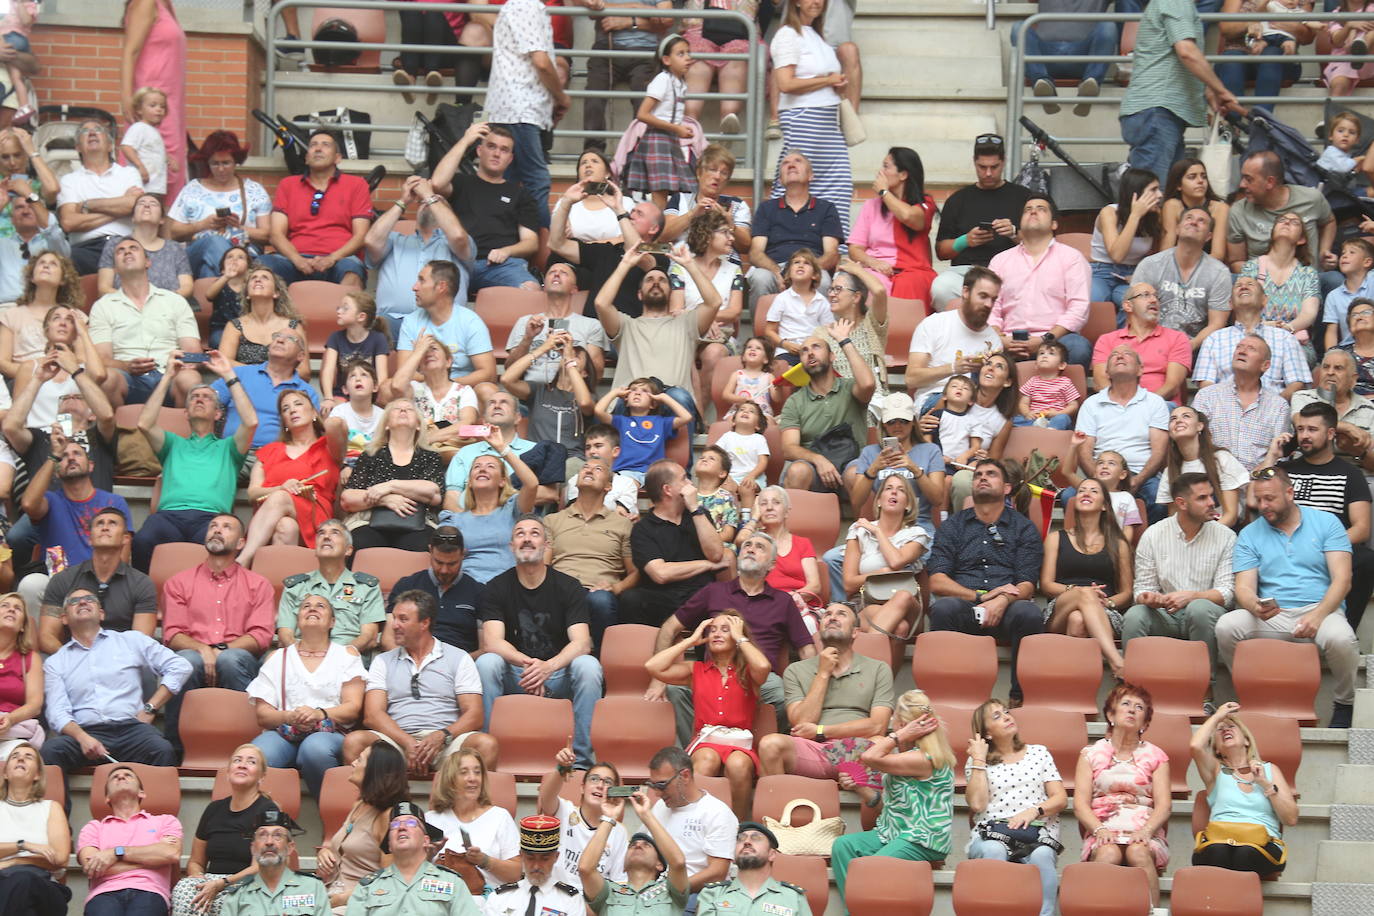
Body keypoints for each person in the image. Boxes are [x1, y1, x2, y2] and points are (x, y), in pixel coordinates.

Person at [1221, 465, 1360, 728]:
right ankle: (1252, 697)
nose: (1263, 505)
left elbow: (1343, 581)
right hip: (1274, 615)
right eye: (1258, 499)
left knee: (1341, 638)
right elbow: (1243, 587)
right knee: (1227, 626)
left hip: (1322, 610)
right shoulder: (1250, 533)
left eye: (1270, 498)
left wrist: (1317, 617)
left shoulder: (1327, 522)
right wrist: (1254, 605)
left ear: (1289, 493)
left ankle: (1345, 703)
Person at [476, 515, 603, 769]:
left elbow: (581, 643)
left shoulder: (569, 586)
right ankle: (486, 757)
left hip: (558, 676)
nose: (526, 539)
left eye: (534, 533)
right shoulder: (496, 587)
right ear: (511, 546)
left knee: (588, 665)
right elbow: (492, 642)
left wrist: (549, 668)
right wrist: (533, 667)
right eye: (520, 534)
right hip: (518, 674)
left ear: (546, 544)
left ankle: (581, 763)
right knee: (487, 662)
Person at [927, 459, 1044, 704]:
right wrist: (980, 597)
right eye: (978, 474)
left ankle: (1019, 698)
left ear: (1007, 489)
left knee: (1029, 613)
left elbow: (1027, 584)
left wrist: (1001, 600)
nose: (982, 477)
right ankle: (950, 697)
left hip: (1008, 607)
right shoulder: (953, 527)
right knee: (943, 608)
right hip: (966, 604)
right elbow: (937, 580)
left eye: (991, 474)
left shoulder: (1023, 528)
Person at [40, 588, 189, 779]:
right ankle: (57, 810)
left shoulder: (130, 640)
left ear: (101, 614)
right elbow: (57, 712)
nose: (83, 602)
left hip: (131, 729)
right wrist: (83, 738)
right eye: (74, 601)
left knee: (162, 749)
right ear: (64, 619)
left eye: (89, 599)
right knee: (52, 751)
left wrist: (151, 708)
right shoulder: (56, 662)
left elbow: (180, 666)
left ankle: (158, 810)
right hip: (85, 732)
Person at [160, 514, 276, 758]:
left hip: (238, 659)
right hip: (192, 654)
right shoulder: (178, 582)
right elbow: (172, 633)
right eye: (213, 526)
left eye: (226, 527)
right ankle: (175, 749)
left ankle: (249, 748)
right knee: (185, 662)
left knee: (230, 660)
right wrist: (203, 649)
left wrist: (220, 649)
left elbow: (260, 636)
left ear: (241, 543)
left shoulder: (258, 584)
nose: (217, 530)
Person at [344, 589, 494, 773]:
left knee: (486, 744)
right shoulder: (382, 661)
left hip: (446, 742)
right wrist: (407, 742)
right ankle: (373, 802)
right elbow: (373, 715)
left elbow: (475, 714)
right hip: (397, 742)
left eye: (403, 619)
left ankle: (471, 802)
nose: (395, 625)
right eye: (395, 619)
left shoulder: (459, 657)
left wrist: (442, 736)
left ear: (424, 623)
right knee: (354, 742)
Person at [829, 690, 956, 900]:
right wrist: (859, 787)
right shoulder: (905, 756)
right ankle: (855, 911)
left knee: (870, 870)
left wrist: (898, 736)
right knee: (843, 846)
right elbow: (887, 802)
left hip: (922, 838)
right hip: (893, 832)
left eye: (895, 720)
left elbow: (869, 757)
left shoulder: (924, 759)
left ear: (902, 725)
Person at [131, 358, 256, 571]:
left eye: (207, 397)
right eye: (194, 397)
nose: (199, 399)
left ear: (218, 414)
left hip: (210, 519)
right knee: (142, 541)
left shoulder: (229, 448)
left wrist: (228, 376)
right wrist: (168, 376)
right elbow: (144, 423)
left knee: (218, 549)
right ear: (186, 413)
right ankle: (146, 599)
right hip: (168, 516)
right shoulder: (172, 444)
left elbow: (251, 422)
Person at [646, 611, 771, 820]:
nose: (716, 634)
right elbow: (653, 667)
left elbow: (764, 666)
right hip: (706, 742)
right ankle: (696, 822)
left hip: (739, 742)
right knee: (706, 760)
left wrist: (741, 637)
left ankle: (737, 825)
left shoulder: (749, 671)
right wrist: (691, 641)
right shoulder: (696, 670)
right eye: (712, 630)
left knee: (738, 764)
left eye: (725, 629)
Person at [756, 601, 894, 792]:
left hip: (857, 750)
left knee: (880, 744)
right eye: (827, 614)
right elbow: (801, 721)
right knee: (770, 744)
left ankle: (873, 815)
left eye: (841, 614)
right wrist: (822, 673)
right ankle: (779, 816)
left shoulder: (878, 669)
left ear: (855, 632)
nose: (832, 617)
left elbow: (878, 725)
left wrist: (821, 730)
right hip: (814, 751)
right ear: (819, 631)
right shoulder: (796, 670)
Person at [1263, 401, 1374, 632]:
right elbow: (1256, 498)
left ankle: (1344, 629)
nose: (1304, 435)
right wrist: (1272, 457)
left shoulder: (1351, 474)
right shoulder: (1286, 470)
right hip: (1284, 543)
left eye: (1312, 430)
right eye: (1301, 429)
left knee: (1366, 560)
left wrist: (1322, 545)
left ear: (1331, 433)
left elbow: (1362, 528)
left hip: (1330, 548)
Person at [248, 592, 366, 798]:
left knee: (315, 749)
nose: (312, 608)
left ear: (333, 622)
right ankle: (264, 821)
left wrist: (318, 714)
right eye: (306, 606)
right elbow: (263, 715)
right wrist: (289, 717)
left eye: (321, 606)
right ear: (297, 620)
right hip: (284, 733)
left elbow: (352, 708)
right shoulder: (278, 657)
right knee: (256, 755)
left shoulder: (347, 655)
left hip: (330, 734)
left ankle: (332, 813)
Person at [596, 245, 724, 426]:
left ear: (671, 293)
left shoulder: (687, 323)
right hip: (631, 398)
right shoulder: (626, 325)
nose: (656, 282)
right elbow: (601, 303)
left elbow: (714, 302)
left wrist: (689, 264)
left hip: (674, 401)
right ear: (639, 294)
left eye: (662, 280)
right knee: (620, 402)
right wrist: (624, 264)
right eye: (649, 279)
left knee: (678, 395)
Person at [1118, 0, 1241, 186]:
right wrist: (1220, 89)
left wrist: (1208, 90)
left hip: (1159, 112)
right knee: (1151, 197)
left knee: (1165, 197)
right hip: (1157, 111)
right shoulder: (1176, 2)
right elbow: (1187, 52)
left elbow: (1178, 56)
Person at [964, 699, 1067, 916]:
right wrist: (979, 759)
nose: (1007, 717)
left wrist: (1034, 810)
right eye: (997, 716)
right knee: (994, 849)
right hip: (991, 834)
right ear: (987, 733)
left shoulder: (1039, 753)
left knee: (1042, 855)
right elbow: (977, 804)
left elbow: (1060, 798)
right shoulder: (977, 762)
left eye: (1006, 712)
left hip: (1034, 833)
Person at [15, 427, 131, 615]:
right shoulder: (51, 501)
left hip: (101, 581)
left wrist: (113, 583)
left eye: (77, 453)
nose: (70, 458)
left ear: (91, 465)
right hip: (58, 583)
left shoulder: (113, 502)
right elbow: (28, 503)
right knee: (31, 584)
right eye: (64, 456)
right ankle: (34, 645)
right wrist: (53, 456)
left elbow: (124, 549)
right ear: (56, 471)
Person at [1075, 684, 1172, 907]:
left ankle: (1154, 912)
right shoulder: (1090, 753)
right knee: (1108, 853)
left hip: (1145, 832)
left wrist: (1146, 831)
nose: (1132, 710)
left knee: (1138, 852)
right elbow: (1080, 805)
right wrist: (1099, 829)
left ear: (1145, 723)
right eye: (1126, 704)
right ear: (1111, 715)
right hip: (1102, 828)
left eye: (1139, 708)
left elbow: (1164, 805)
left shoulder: (1156, 755)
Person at [481, 0, 570, 229]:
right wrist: (561, 96)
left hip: (513, 108)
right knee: (536, 181)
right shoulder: (526, 6)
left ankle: (504, 241)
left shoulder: (517, 6)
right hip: (520, 109)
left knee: (506, 183)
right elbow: (541, 62)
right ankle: (542, 252)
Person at [770, 0, 852, 235]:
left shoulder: (816, 35)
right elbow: (785, 83)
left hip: (828, 121)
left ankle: (838, 247)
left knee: (839, 187)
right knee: (793, 182)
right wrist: (827, 80)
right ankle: (777, 239)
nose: (816, 2)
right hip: (804, 117)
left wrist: (836, 84)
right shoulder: (787, 34)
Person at [89, 236, 202, 407]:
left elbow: (194, 352)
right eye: (120, 250)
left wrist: (184, 364)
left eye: (133, 248)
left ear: (148, 262)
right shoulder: (103, 306)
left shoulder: (175, 300)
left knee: (190, 379)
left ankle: (183, 433)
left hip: (170, 374)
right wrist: (126, 366)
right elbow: (101, 358)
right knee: (107, 379)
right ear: (115, 269)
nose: (127, 251)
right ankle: (116, 433)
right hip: (127, 378)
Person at [170, 744, 281, 916]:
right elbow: (196, 862)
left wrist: (222, 883)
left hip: (249, 884)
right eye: (237, 760)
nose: (242, 765)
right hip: (211, 884)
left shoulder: (269, 811)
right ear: (228, 772)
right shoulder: (213, 809)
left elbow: (261, 867)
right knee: (184, 888)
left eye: (251, 762)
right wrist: (199, 878)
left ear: (262, 776)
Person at [1189, 703, 1298, 875]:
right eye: (1220, 730)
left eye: (1231, 726)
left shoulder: (1270, 770)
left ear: (1246, 740)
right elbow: (1195, 746)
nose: (1226, 730)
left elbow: (1291, 818)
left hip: (1262, 845)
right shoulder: (1215, 771)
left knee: (1245, 853)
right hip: (1219, 841)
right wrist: (1217, 716)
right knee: (1219, 851)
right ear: (1216, 749)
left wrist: (1265, 784)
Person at [432, 124, 542, 293]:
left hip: (502, 266)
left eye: (504, 150)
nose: (497, 153)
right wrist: (465, 140)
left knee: (531, 289)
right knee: (433, 289)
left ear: (510, 159)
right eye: (491, 147)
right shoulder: (461, 183)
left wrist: (506, 251)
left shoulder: (521, 194)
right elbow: (437, 183)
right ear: (479, 151)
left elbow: (531, 243)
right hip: (458, 262)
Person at [1041, 479, 1134, 678]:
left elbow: (1127, 592)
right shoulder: (1056, 538)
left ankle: (1073, 689)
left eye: (1094, 491)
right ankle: (1116, 661)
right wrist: (1078, 592)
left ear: (1104, 506)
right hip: (1060, 607)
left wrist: (1106, 601)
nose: (1086, 493)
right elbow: (1046, 585)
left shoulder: (1119, 544)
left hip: (1105, 610)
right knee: (1083, 597)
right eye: (1082, 490)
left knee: (1078, 620)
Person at [239, 390, 344, 565]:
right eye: (285, 409)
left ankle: (244, 559)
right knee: (286, 526)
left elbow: (336, 424)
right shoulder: (269, 451)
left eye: (298, 404)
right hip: (271, 520)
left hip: (316, 514)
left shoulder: (328, 447)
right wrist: (281, 488)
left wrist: (325, 415)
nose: (292, 410)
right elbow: (253, 493)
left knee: (281, 498)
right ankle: (278, 586)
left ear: (313, 412)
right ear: (283, 421)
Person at [619, 459, 728, 628]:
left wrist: (695, 509)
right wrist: (706, 565)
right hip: (661, 597)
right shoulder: (643, 529)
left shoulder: (699, 515)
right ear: (668, 490)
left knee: (718, 597)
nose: (691, 483)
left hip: (700, 594)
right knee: (631, 599)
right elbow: (661, 574)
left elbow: (716, 554)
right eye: (684, 479)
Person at [988, 196, 1093, 368]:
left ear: (1054, 224)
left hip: (1054, 339)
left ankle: (1061, 394)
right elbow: (991, 306)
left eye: (1041, 209)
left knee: (1078, 347)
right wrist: (998, 338)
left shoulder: (1072, 258)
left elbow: (1078, 308)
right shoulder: (1000, 261)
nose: (1033, 211)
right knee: (978, 346)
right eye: (1027, 209)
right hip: (1009, 339)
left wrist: (1046, 339)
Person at [930, 135, 1032, 311]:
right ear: (974, 162)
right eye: (982, 167)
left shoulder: (1023, 197)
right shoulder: (958, 200)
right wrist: (966, 240)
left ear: (1004, 162)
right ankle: (964, 329)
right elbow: (941, 251)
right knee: (941, 288)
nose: (988, 173)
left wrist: (1014, 233)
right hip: (966, 271)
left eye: (994, 167)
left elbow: (1040, 246)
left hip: (1012, 271)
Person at [257, 130, 370, 288]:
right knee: (263, 265)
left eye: (326, 145)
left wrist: (332, 258)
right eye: (313, 145)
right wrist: (297, 260)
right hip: (294, 259)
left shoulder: (356, 185)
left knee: (352, 270)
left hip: (340, 259)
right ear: (306, 158)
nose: (318, 148)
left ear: (338, 158)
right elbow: (276, 234)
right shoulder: (288, 185)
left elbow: (361, 236)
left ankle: (349, 312)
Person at [35, 508, 155, 656]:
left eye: (112, 523)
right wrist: (74, 660)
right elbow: (47, 636)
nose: (105, 527)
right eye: (99, 524)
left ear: (125, 539)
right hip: (72, 660)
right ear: (90, 539)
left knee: (147, 672)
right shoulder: (63, 579)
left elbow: (141, 642)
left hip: (122, 662)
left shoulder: (142, 584)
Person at [546, 460, 637, 649]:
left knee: (600, 600)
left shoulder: (622, 524)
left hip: (599, 591)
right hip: (560, 588)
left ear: (608, 486)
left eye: (598, 469)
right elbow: (543, 567)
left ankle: (602, 668)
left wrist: (617, 587)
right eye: (585, 467)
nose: (589, 470)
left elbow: (635, 572)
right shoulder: (552, 520)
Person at [364, 174, 474, 330]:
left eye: (437, 201)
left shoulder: (459, 245)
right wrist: (403, 201)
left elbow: (457, 236)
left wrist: (428, 194)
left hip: (444, 324)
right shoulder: (395, 241)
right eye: (423, 201)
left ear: (448, 213)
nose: (428, 202)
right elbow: (371, 240)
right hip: (393, 322)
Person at [779, 319, 876, 491]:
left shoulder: (850, 387)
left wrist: (843, 341)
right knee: (797, 470)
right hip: (813, 468)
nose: (810, 353)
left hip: (850, 462)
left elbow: (868, 384)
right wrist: (819, 459)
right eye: (804, 351)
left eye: (816, 347)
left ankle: (862, 520)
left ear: (832, 356)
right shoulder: (794, 401)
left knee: (857, 473)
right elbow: (789, 448)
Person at [842, 475, 930, 664]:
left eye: (901, 489)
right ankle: (883, 689)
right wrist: (880, 574)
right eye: (888, 488)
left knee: (903, 596)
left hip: (910, 606)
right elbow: (849, 583)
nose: (894, 491)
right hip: (867, 603)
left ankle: (861, 670)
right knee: (899, 628)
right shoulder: (858, 530)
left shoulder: (917, 534)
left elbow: (896, 561)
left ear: (908, 505)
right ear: (879, 500)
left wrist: (877, 531)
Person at [339, 398, 445, 553]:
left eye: (409, 409)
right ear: (386, 424)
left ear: (417, 425)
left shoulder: (430, 457)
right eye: (397, 409)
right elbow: (347, 499)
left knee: (420, 545)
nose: (403, 410)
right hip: (369, 520)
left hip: (419, 522)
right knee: (362, 542)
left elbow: (434, 493)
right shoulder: (371, 454)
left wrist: (390, 485)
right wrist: (384, 499)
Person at [76, 763, 183, 916]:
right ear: (107, 797)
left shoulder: (165, 821)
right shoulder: (94, 827)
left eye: (128, 776)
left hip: (150, 891)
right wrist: (151, 860)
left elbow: (170, 854)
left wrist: (115, 853)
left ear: (141, 793)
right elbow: (92, 867)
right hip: (104, 894)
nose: (121, 776)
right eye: (114, 777)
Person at [1076, 346, 1170, 512]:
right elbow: (1084, 452)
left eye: (1127, 354)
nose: (1119, 356)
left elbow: (1159, 452)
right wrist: (1102, 482)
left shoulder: (1155, 402)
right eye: (1114, 355)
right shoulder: (1091, 403)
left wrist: (1137, 480)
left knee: (1159, 499)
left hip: (1142, 474)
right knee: (1070, 497)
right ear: (1107, 372)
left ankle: (1147, 539)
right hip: (1102, 473)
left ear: (1140, 369)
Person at [314, 743, 409, 910]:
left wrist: (340, 900)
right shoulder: (359, 804)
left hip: (360, 904)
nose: (353, 763)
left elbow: (391, 882)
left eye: (360, 760)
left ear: (375, 770)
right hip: (332, 896)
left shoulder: (388, 817)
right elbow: (345, 848)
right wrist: (325, 852)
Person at [166, 130, 272, 279]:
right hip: (198, 253)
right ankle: (237, 286)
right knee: (215, 242)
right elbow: (175, 232)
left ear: (236, 161)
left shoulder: (254, 191)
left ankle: (225, 292)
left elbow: (267, 235)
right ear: (207, 162)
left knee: (207, 271)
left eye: (226, 163)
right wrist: (204, 224)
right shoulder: (192, 189)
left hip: (243, 255)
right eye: (215, 163)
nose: (221, 169)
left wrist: (238, 228)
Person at [345, 800, 479, 915]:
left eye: (411, 823)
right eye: (395, 825)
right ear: (390, 845)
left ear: (426, 840)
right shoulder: (368, 887)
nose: (402, 827)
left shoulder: (451, 882)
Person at [747, 151, 843, 311]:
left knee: (824, 281)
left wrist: (806, 270)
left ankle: (818, 335)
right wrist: (779, 272)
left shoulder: (826, 209)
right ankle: (761, 335)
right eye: (785, 163)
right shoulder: (766, 208)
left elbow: (832, 254)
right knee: (759, 278)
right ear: (780, 180)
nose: (791, 164)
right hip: (774, 268)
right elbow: (755, 253)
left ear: (810, 175)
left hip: (813, 266)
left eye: (798, 161)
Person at [439, 436, 541, 586]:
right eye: (477, 466)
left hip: (506, 589)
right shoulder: (455, 520)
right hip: (467, 588)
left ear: (502, 481)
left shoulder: (513, 511)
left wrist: (503, 449)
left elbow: (532, 484)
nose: (482, 469)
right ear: (470, 483)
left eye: (491, 466)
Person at [1132, 206, 1232, 352]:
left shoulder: (1219, 273)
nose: (1194, 222)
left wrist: (1190, 346)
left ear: (1209, 236)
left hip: (1196, 346)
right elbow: (1136, 311)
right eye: (1189, 218)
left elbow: (1217, 323)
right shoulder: (1151, 265)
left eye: (1201, 221)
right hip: (1151, 341)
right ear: (1177, 229)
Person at [276, 520, 383, 654]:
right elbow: (285, 635)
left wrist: (337, 658)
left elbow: (369, 637)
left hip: (347, 662)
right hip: (302, 660)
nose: (326, 537)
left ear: (348, 550)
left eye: (335, 533)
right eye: (321, 533)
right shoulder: (296, 587)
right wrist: (306, 658)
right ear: (315, 550)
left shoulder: (366, 587)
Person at [847, 147, 938, 305]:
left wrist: (884, 192)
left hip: (912, 271)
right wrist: (873, 262)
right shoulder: (871, 206)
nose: (880, 172)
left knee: (909, 285)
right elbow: (854, 249)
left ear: (903, 174)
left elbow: (908, 216)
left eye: (886, 166)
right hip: (875, 269)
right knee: (868, 285)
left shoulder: (924, 204)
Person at [580, 786, 688, 916]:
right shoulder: (609, 892)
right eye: (632, 845)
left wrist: (646, 815)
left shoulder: (670, 891)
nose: (638, 845)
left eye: (647, 845)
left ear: (659, 865)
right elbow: (585, 869)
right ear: (624, 866)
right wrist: (609, 818)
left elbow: (678, 862)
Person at [426, 749, 522, 893]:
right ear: (450, 779)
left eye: (477, 772)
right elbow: (410, 871)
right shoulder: (431, 819)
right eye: (464, 772)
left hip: (485, 902)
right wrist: (429, 855)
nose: (473, 778)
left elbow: (516, 873)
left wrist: (484, 861)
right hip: (438, 900)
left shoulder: (500, 817)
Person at [1192, 334, 1293, 472]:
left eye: (1251, 348)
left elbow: (1278, 458)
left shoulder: (1279, 406)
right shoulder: (1207, 396)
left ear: (1265, 365)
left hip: (1258, 485)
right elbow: (1193, 445)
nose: (1242, 351)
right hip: (1212, 482)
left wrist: (1254, 480)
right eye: (1239, 347)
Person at [1227, 151, 1337, 277]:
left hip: (1308, 279)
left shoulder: (1312, 198)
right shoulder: (1239, 211)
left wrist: (1324, 250)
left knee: (1334, 279)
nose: (1241, 184)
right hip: (1262, 283)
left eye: (1248, 179)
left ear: (1270, 182)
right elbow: (1236, 263)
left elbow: (1329, 221)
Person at [211, 327, 319, 454]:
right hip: (233, 454)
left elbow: (312, 434)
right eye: (276, 336)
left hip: (277, 458)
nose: (279, 340)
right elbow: (207, 400)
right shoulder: (238, 374)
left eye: (289, 339)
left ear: (300, 356)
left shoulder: (306, 392)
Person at [906, 266, 1004, 406]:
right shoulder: (934, 324)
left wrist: (985, 371)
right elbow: (911, 378)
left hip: (974, 402)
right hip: (936, 397)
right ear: (965, 292)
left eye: (993, 299)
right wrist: (953, 368)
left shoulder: (993, 339)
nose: (988, 304)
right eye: (983, 296)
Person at [394, 261, 497, 394]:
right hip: (423, 388)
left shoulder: (470, 322)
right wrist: (435, 383)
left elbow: (488, 374)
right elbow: (404, 371)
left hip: (462, 389)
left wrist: (448, 385)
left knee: (487, 390)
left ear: (441, 287)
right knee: (387, 388)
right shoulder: (411, 321)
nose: (414, 287)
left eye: (422, 281)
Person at [645, 746, 737, 896]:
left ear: (685, 776)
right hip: (655, 891)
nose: (656, 793)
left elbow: (718, 872)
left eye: (662, 785)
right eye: (652, 785)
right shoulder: (660, 807)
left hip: (696, 894)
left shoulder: (717, 812)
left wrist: (670, 890)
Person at [54, 119, 142, 274]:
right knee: (64, 262)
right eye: (85, 131)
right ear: (78, 148)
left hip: (125, 246)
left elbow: (135, 206)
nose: (92, 133)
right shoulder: (69, 180)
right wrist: (120, 209)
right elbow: (68, 222)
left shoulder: (129, 173)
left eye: (98, 129)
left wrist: (88, 205)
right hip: (84, 250)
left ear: (110, 146)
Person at [504, 262, 610, 390]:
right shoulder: (526, 322)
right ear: (544, 287)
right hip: (530, 395)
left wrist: (570, 352)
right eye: (551, 272)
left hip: (570, 397)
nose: (556, 274)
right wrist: (527, 339)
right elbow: (509, 369)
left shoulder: (591, 325)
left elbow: (596, 373)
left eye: (563, 273)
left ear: (574, 289)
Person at [621, 34, 697, 209]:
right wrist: (675, 128)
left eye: (688, 53)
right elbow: (643, 114)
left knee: (683, 186)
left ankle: (664, 225)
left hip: (670, 139)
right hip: (658, 138)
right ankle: (659, 229)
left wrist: (678, 129)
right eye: (681, 54)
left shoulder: (679, 83)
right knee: (660, 189)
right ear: (666, 59)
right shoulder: (662, 80)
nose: (687, 58)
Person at [582, 0, 672, 148]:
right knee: (594, 95)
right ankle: (594, 151)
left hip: (645, 51)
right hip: (607, 48)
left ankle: (639, 151)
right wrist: (641, 9)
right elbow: (591, 7)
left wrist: (629, 21)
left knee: (643, 98)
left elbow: (666, 20)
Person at [121, 0, 186, 199]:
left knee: (170, 167)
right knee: (152, 167)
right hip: (151, 98)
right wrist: (126, 97)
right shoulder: (147, 2)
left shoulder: (166, 5)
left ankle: (164, 225)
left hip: (170, 102)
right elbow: (130, 51)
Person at [538, 748, 628, 891]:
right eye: (594, 779)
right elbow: (546, 799)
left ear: (614, 792)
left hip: (593, 905)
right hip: (557, 897)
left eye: (607, 782)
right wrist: (561, 769)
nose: (600, 785)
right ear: (582, 787)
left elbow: (620, 883)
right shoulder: (565, 811)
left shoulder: (619, 831)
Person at [387, 527, 485, 655]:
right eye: (438, 562)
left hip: (460, 662)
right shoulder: (407, 585)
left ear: (463, 555)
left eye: (452, 564)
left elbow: (485, 648)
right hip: (411, 660)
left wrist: (460, 665)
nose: (444, 570)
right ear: (430, 551)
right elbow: (388, 639)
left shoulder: (478, 591)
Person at [0, 742, 72, 916]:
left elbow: (60, 858)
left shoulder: (50, 808)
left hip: (44, 886)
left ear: (38, 775)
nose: (21, 758)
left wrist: (15, 861)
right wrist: (23, 846)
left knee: (22, 880)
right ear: (5, 774)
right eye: (15, 756)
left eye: (28, 756)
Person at [1092, 283, 1192, 404]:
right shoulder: (1107, 340)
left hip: (1160, 405)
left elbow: (1173, 385)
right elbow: (1100, 381)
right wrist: (1120, 405)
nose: (1154, 299)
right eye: (1145, 295)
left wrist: (1140, 406)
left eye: (1156, 296)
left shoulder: (1177, 338)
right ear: (1128, 306)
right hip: (1116, 406)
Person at [219, 808, 330, 916]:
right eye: (262, 835)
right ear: (253, 848)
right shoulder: (238, 893)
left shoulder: (313, 887)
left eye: (278, 835)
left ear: (290, 847)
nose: (269, 842)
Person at [1016, 0, 1115, 117]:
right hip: (1045, 58)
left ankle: (1089, 87)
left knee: (1108, 27)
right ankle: (1042, 84)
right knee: (1018, 28)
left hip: (1083, 58)